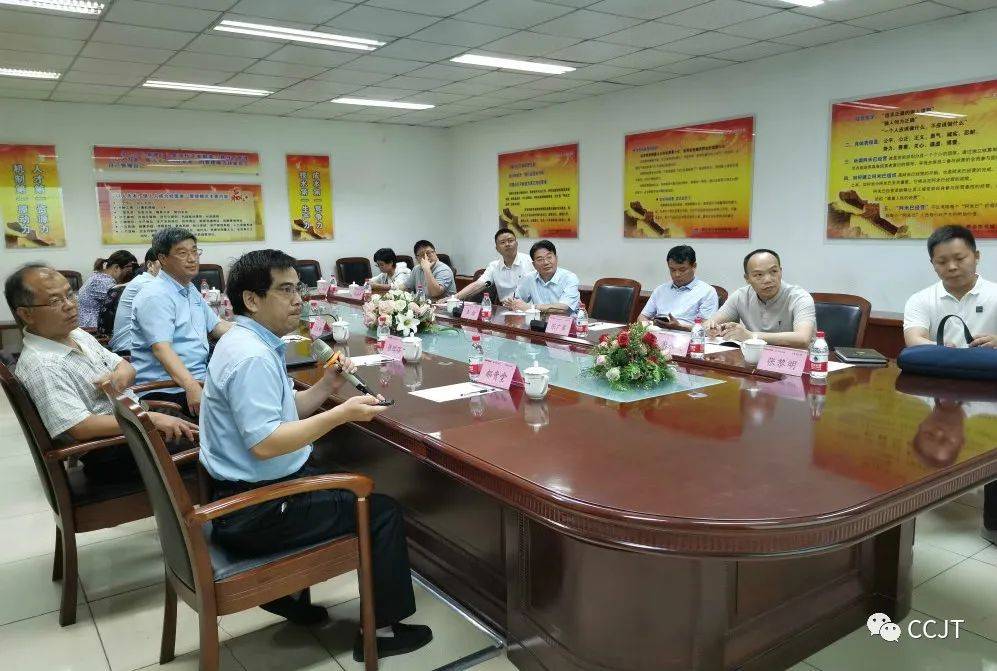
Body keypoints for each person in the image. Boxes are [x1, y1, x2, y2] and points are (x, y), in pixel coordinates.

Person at [198, 249, 432, 660]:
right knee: (381, 511)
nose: (298, 300)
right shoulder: (251, 357)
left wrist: (327, 387)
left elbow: (285, 412)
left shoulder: (246, 341)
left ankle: (289, 597)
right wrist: (341, 415)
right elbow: (267, 442)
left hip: (249, 494)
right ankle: (380, 633)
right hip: (256, 512)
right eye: (285, 290)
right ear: (252, 299)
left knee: (334, 474)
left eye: (299, 289)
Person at [4, 264, 196, 481]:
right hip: (114, 449)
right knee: (215, 452)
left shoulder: (76, 334)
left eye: (70, 294)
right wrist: (150, 419)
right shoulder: (43, 364)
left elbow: (124, 366)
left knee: (211, 429)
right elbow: (80, 427)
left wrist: (120, 377)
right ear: (26, 314)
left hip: (135, 422)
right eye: (55, 301)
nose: (70, 305)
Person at [131, 228, 233, 415]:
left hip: (198, 380)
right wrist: (191, 385)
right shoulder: (155, 295)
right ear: (163, 258)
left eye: (194, 251)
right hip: (168, 389)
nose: (192, 259)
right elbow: (162, 349)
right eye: (182, 253)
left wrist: (255, 331)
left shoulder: (189, 288)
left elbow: (217, 327)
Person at [903, 225, 996, 348]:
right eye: (942, 262)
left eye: (959, 258)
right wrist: (942, 348)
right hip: (940, 359)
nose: (952, 267)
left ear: (976, 256)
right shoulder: (920, 300)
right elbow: (914, 339)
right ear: (933, 263)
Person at [705, 249, 816, 348]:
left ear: (781, 271)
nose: (768, 279)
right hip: (754, 358)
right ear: (747, 278)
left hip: (796, 360)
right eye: (759, 275)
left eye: (773, 271)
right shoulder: (741, 296)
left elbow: (803, 339)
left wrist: (750, 336)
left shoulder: (799, 297)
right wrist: (713, 329)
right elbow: (709, 324)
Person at [638, 245, 719, 330]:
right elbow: (642, 317)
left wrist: (679, 327)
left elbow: (707, 327)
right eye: (672, 270)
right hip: (657, 333)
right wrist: (650, 327)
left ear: (694, 266)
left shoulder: (707, 292)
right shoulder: (660, 290)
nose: (677, 274)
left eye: (682, 270)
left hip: (688, 336)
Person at [453, 228, 532, 302]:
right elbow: (478, 285)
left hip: (528, 308)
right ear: (497, 248)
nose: (507, 244)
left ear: (516, 244)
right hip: (506, 308)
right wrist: (453, 298)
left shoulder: (530, 262)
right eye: (502, 242)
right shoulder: (494, 266)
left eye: (510, 241)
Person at [505, 240, 581, 314]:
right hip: (537, 321)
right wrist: (513, 304)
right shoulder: (529, 278)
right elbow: (517, 303)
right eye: (540, 259)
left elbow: (564, 308)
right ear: (534, 265)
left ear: (556, 258)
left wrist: (531, 307)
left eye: (549, 257)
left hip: (566, 321)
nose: (546, 262)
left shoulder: (570, 278)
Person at [109, 247, 160, 353]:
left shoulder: (145, 280)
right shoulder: (146, 284)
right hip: (130, 351)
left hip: (137, 347)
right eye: (164, 262)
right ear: (150, 265)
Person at [77, 250, 137, 329]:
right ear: (116, 267)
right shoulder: (101, 281)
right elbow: (124, 300)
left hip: (94, 326)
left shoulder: (100, 276)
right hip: (91, 329)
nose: (130, 271)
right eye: (128, 267)